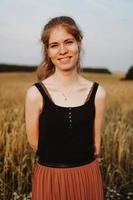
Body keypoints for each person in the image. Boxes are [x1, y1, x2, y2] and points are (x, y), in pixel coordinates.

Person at [25, 16, 106, 200]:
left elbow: (96, 143)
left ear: (79, 43)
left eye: (68, 42)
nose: (63, 51)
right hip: (50, 179)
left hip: (87, 178)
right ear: (48, 51)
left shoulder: (97, 93)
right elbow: (35, 143)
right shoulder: (35, 94)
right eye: (54, 45)